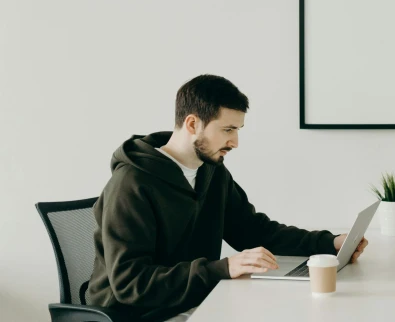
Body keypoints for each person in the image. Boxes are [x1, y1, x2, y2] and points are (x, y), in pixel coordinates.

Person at [86, 74, 368, 321]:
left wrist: (329, 243)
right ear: (193, 123)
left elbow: (255, 231)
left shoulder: (212, 172)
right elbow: (130, 283)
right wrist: (223, 268)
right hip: (137, 315)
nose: (234, 142)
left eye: (237, 130)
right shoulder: (132, 184)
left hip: (195, 302)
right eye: (227, 130)